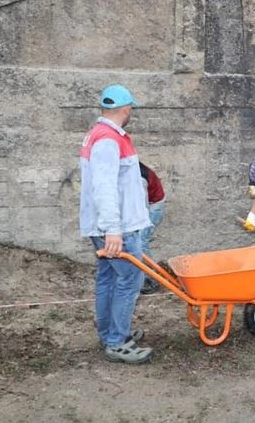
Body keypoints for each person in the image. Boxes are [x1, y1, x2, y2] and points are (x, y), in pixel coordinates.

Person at [80, 84, 154, 364]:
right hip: (117, 227)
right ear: (125, 108)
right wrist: (113, 229)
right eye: (131, 108)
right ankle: (117, 342)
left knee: (108, 277)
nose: (131, 111)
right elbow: (104, 187)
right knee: (130, 279)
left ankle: (110, 332)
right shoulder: (108, 140)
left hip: (110, 224)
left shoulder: (100, 135)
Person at [139, 161, 165, 294]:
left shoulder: (139, 177)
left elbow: (142, 207)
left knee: (140, 242)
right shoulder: (132, 169)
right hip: (149, 206)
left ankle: (151, 279)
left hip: (153, 209)